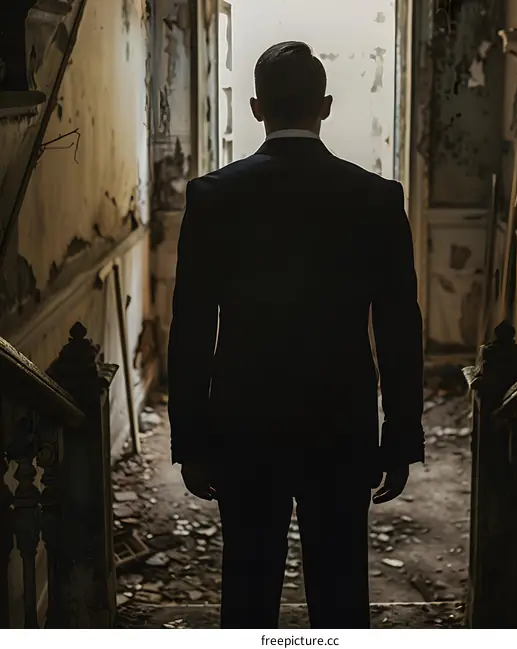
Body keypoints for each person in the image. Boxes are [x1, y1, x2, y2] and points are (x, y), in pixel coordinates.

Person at [168, 41, 424, 629]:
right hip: (340, 426)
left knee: (248, 590)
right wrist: (401, 436)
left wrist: (192, 439)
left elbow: (191, 329)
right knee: (339, 594)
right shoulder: (376, 199)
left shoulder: (213, 198)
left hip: (243, 425)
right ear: (325, 106)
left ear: (257, 108)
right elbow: (398, 328)